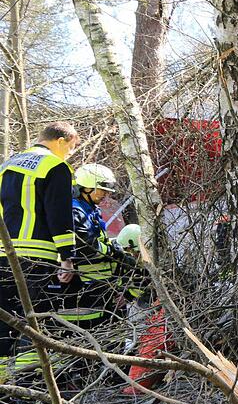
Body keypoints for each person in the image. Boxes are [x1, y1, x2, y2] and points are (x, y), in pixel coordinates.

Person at [0, 122, 80, 359]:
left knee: (4, 325)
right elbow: (59, 215)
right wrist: (67, 257)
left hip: (2, 255)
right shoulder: (56, 166)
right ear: (61, 141)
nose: (71, 153)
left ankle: (4, 386)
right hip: (36, 257)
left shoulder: (6, 165)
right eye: (72, 147)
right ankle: (32, 384)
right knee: (35, 324)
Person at [70, 163, 138, 327]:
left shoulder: (90, 209)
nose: (106, 194)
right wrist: (114, 251)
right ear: (87, 187)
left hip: (101, 291)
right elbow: (88, 246)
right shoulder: (75, 211)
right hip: (84, 292)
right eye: (102, 189)